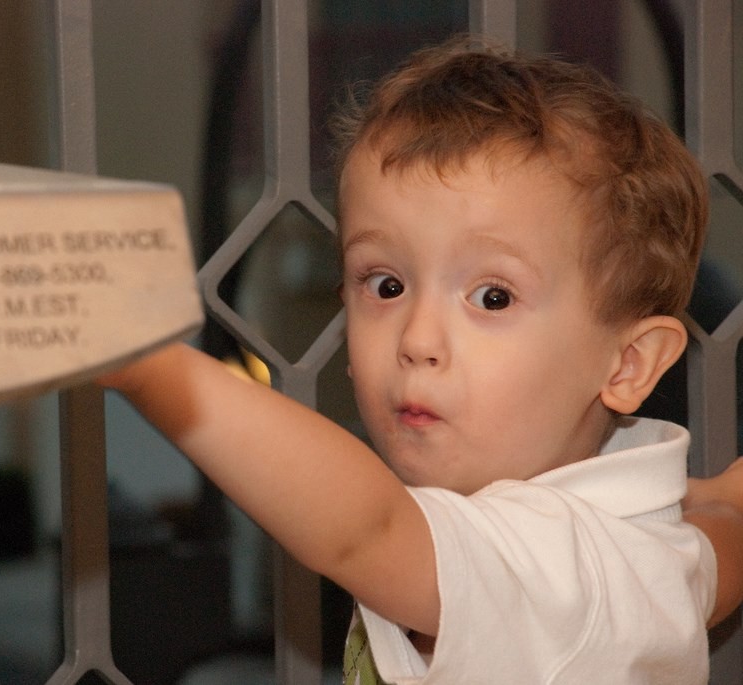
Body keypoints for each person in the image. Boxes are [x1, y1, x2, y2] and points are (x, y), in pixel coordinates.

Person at [99, 38, 743, 683]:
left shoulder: (557, 567)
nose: (417, 337)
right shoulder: (649, 544)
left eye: (493, 297)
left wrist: (148, 366)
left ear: (628, 365)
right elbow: (724, 538)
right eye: (386, 285)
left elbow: (365, 530)